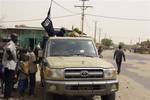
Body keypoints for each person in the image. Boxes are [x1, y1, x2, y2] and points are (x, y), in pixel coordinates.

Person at [2, 33, 18, 99]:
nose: (17, 39)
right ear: (13, 38)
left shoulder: (9, 43)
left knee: (7, 81)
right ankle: (8, 96)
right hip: (10, 66)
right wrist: (11, 56)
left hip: (7, 65)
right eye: (16, 37)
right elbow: (8, 49)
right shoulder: (11, 44)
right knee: (10, 82)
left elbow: (4, 48)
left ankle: (6, 95)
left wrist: (7, 55)